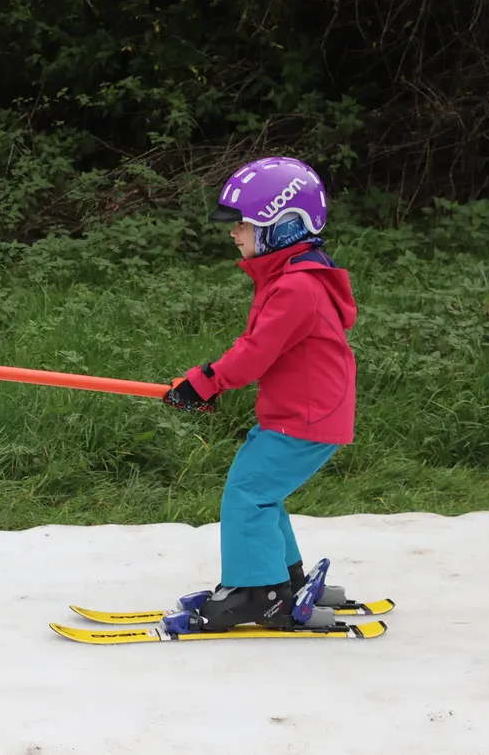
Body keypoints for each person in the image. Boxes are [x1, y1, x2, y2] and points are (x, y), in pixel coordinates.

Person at [161, 156, 358, 632]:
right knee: (263, 491)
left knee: (248, 492)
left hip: (306, 419)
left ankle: (257, 593)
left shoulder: (297, 289)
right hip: (301, 414)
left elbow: (255, 353)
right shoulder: (292, 280)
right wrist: (204, 383)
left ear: (283, 227)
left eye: (244, 225)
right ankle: (283, 580)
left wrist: (204, 382)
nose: (234, 234)